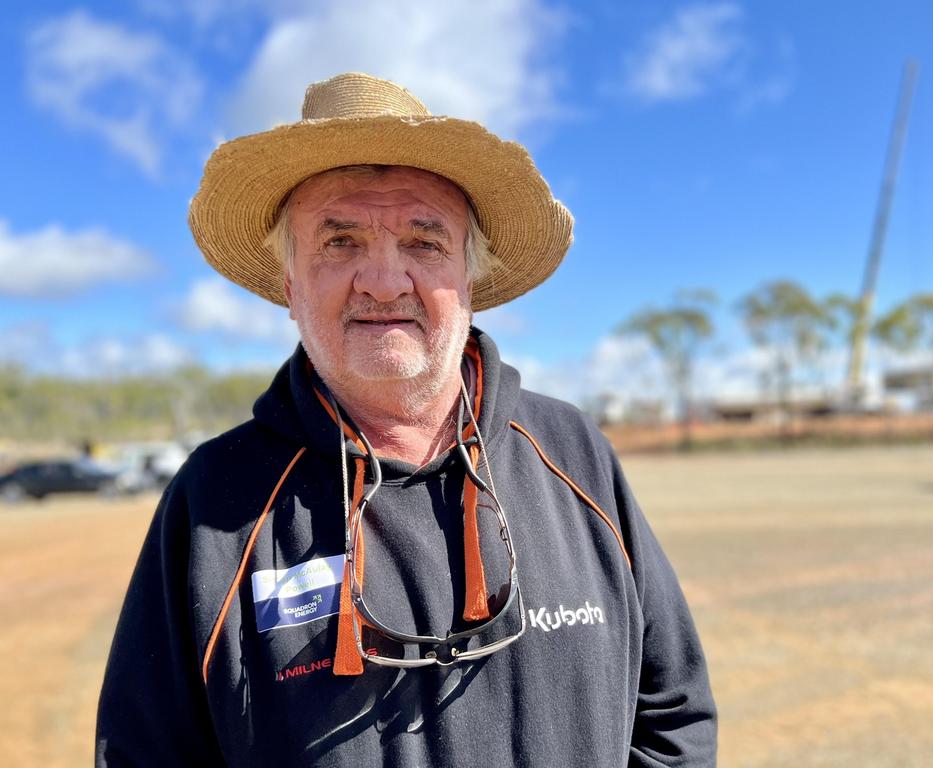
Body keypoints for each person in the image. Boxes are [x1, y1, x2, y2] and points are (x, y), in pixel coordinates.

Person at [96, 72, 716, 767]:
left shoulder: (573, 454)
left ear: (470, 279)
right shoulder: (216, 501)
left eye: (425, 242)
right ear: (290, 285)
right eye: (340, 241)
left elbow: (673, 719)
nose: (384, 282)